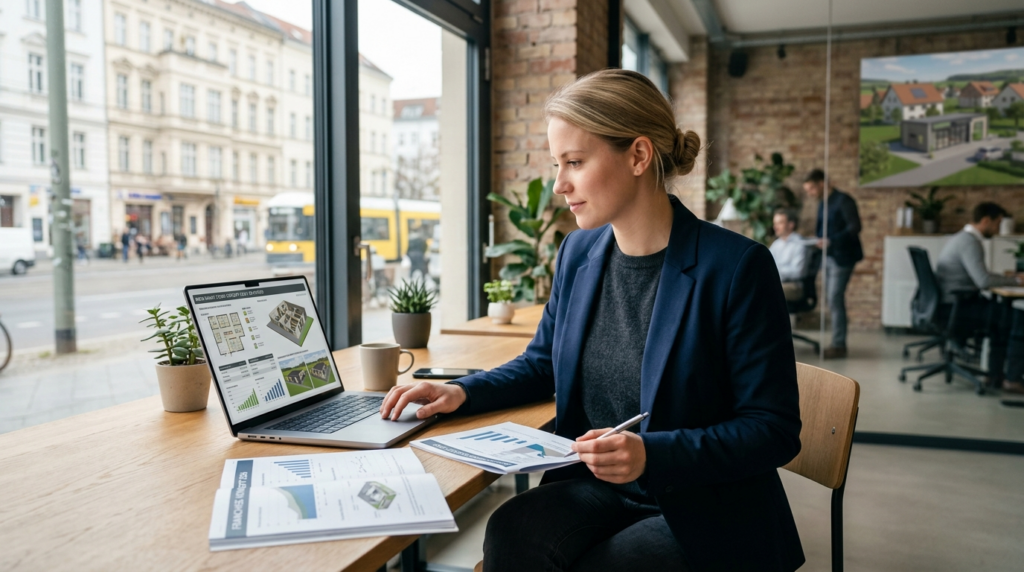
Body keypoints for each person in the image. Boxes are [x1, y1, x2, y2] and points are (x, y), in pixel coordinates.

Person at [380, 69, 804, 572]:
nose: (560, 184)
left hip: (702, 502)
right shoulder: (579, 252)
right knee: (513, 529)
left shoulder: (736, 268)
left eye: (575, 162)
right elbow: (542, 364)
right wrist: (464, 392)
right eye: (559, 164)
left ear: (639, 156)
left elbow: (773, 429)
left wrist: (651, 454)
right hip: (597, 488)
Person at [935, 202, 1024, 393]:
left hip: (951, 305)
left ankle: (996, 375)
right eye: (997, 223)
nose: (998, 228)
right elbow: (983, 280)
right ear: (985, 221)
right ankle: (1011, 379)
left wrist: (1009, 279)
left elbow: (981, 276)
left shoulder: (959, 238)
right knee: (1016, 318)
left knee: (1004, 316)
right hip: (958, 308)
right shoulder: (969, 242)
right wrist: (1017, 281)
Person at [803, 169, 862, 359]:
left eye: (811, 188)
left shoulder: (844, 201)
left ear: (822, 183)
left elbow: (855, 227)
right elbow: (822, 228)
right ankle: (837, 342)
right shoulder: (823, 203)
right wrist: (818, 240)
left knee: (835, 298)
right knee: (831, 299)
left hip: (843, 257)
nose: (810, 193)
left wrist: (831, 240)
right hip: (828, 256)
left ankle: (838, 345)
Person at [769, 208, 809, 301]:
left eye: (780, 223)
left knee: (764, 290)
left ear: (791, 224)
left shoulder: (799, 243)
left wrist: (775, 272)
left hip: (793, 285)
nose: (775, 227)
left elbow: (798, 271)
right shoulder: (776, 244)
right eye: (775, 223)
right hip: (777, 282)